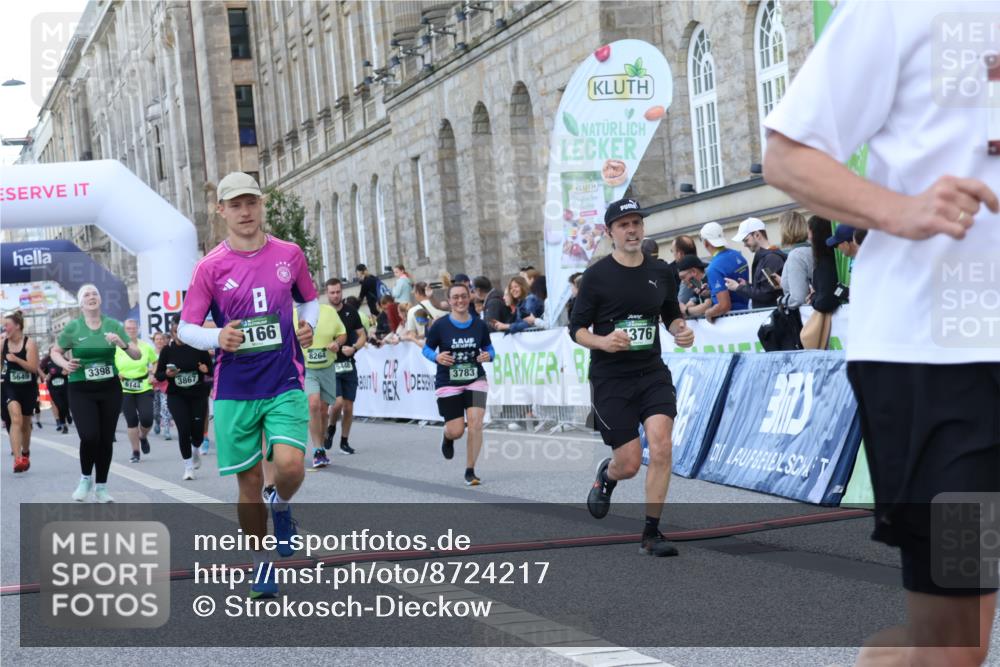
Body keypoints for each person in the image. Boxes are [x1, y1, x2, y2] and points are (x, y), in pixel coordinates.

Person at [763, 3, 1000, 663]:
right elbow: (787, 155)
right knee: (954, 646)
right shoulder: (902, 8)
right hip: (946, 365)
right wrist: (903, 209)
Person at [177, 172, 318, 599]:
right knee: (248, 482)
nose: (245, 212)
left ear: (262, 205)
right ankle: (261, 566)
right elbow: (185, 328)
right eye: (235, 205)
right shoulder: (210, 267)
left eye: (251, 203)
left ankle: (284, 503)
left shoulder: (289, 254)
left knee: (291, 466)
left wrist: (306, 323)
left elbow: (308, 298)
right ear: (221, 211)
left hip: (283, 379)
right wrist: (217, 337)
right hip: (235, 388)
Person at [569, 198, 695, 557]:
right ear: (610, 232)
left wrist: (680, 330)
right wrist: (603, 341)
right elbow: (576, 329)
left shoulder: (661, 271)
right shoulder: (596, 276)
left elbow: (671, 313)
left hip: (652, 373)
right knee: (628, 463)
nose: (632, 229)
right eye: (624, 224)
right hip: (611, 379)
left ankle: (651, 534)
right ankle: (607, 476)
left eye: (636, 222)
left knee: (661, 446)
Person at [50, 284, 143, 502]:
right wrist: (65, 362)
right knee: (90, 436)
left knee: (104, 439)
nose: (92, 297)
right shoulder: (73, 328)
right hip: (81, 388)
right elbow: (55, 351)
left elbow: (137, 355)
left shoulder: (113, 325)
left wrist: (122, 343)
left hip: (109, 388)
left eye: (95, 294)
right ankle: (85, 479)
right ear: (81, 303)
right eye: (87, 295)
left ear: (100, 300)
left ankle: (101, 486)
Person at [422, 283, 495, 486]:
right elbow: (426, 350)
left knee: (476, 424)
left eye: (463, 296)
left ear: (469, 298)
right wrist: (437, 357)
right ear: (449, 300)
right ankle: (447, 436)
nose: (460, 300)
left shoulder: (479, 325)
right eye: (455, 297)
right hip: (449, 382)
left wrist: (489, 355)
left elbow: (489, 348)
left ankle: (470, 470)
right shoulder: (440, 325)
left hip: (476, 380)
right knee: (456, 431)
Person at [154, 320, 212, 480]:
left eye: (181, 331)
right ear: (171, 333)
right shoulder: (167, 350)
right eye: (174, 331)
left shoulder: (198, 347)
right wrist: (167, 374)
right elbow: (158, 374)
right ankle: (188, 467)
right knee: (184, 429)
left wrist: (206, 369)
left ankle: (195, 450)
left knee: (198, 432)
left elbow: (211, 370)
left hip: (198, 394)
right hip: (176, 396)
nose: (178, 334)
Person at [297, 292, 347, 469]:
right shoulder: (294, 313)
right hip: (307, 368)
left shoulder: (328, 311)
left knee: (324, 411)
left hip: (327, 367)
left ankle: (322, 440)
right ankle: (318, 450)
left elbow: (342, 334)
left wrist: (337, 344)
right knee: (313, 405)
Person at [323, 278, 367, 455]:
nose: (335, 295)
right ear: (327, 294)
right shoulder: (323, 314)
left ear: (342, 292)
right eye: (332, 292)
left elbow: (363, 335)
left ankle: (344, 441)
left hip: (348, 364)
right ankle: (331, 426)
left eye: (338, 292)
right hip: (330, 364)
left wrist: (354, 347)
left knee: (348, 407)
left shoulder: (351, 312)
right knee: (337, 403)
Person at [116, 319, 159, 463]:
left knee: (147, 419)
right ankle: (135, 451)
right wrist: (117, 373)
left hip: (143, 386)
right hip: (124, 387)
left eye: (134, 328)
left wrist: (153, 374)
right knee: (132, 421)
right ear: (124, 330)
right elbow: (109, 362)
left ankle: (143, 436)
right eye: (128, 328)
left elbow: (155, 362)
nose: (131, 331)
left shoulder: (146, 346)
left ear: (138, 330)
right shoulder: (117, 347)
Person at [2, 311, 39, 472]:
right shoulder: (2, 343)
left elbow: (33, 368)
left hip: (28, 387)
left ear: (17, 326)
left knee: (25, 424)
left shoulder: (30, 344)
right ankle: (17, 459)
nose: (4, 328)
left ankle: (25, 452)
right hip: (10, 387)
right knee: (15, 419)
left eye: (7, 325)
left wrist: (16, 359)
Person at [725, 217, 785, 309]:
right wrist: (748, 286)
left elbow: (766, 295)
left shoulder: (771, 258)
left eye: (746, 240)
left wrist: (738, 287)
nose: (744, 245)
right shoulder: (766, 257)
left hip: (774, 316)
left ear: (757, 235)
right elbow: (766, 289)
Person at [697, 222, 750, 322]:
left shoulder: (713, 268)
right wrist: (712, 290)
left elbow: (724, 306)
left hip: (731, 321)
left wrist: (708, 313)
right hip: (748, 313)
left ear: (706, 243)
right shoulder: (738, 255)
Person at [776, 211, 812, 308]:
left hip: (806, 317)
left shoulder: (796, 255)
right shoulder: (810, 250)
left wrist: (781, 301)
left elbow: (798, 298)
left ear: (786, 230)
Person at [41, 348, 71, 434]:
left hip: (65, 386)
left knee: (66, 404)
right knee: (60, 406)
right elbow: (40, 370)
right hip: (53, 388)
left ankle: (68, 414)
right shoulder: (46, 361)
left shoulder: (63, 359)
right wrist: (46, 376)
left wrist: (67, 371)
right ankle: (63, 424)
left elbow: (70, 367)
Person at [150, 332, 174, 440]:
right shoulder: (150, 353)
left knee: (165, 407)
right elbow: (143, 367)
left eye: (161, 339)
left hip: (165, 383)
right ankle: (157, 422)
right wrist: (151, 372)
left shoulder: (168, 352)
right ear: (153, 341)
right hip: (153, 384)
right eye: (157, 339)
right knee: (155, 410)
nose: (159, 341)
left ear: (165, 340)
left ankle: (167, 430)